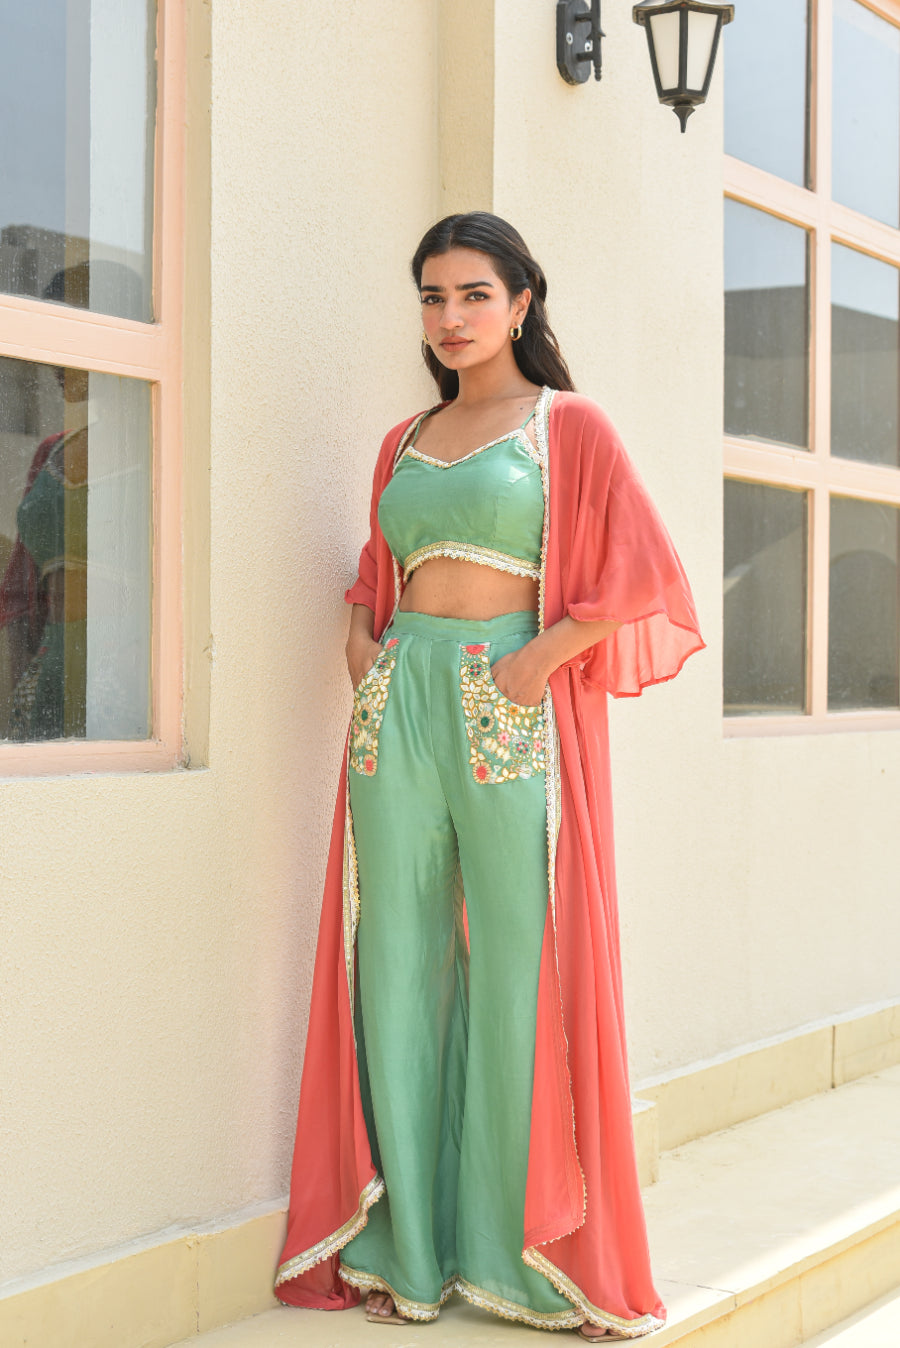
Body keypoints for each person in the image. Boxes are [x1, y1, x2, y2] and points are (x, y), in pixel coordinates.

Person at [275, 213, 704, 1339]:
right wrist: (363, 644)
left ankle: (531, 1256)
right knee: (397, 965)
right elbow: (376, 570)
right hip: (396, 710)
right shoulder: (403, 440)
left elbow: (641, 575)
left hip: (505, 701)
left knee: (524, 960)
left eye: (473, 294)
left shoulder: (571, 427)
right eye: (431, 297)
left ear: (521, 303)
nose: (450, 318)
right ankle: (413, 1252)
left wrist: (533, 664)